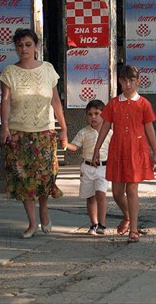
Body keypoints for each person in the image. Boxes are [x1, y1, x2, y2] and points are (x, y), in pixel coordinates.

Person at [0, 28, 68, 239]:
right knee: (23, 179)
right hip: (19, 133)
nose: (24, 49)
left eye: (28, 44)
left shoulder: (48, 69)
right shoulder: (9, 72)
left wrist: (63, 128)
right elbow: (6, 102)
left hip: (44, 132)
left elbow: (55, 100)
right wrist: (4, 128)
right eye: (20, 45)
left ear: (36, 46)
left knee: (45, 176)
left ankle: (44, 210)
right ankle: (32, 223)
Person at [92, 65, 156, 244]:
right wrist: (97, 148)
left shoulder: (144, 104)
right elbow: (105, 126)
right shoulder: (114, 103)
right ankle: (128, 216)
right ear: (119, 81)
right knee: (116, 192)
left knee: (132, 189)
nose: (128, 84)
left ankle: (134, 230)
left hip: (137, 150)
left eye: (131, 80)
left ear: (138, 81)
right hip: (118, 150)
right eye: (124, 80)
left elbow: (149, 128)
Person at [64, 99, 113, 235]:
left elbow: (115, 149)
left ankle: (102, 225)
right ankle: (94, 224)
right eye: (90, 114)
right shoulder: (84, 132)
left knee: (101, 194)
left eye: (97, 113)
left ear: (104, 115)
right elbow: (75, 146)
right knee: (90, 197)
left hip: (103, 167)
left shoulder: (109, 132)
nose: (93, 117)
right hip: (87, 168)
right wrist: (66, 144)